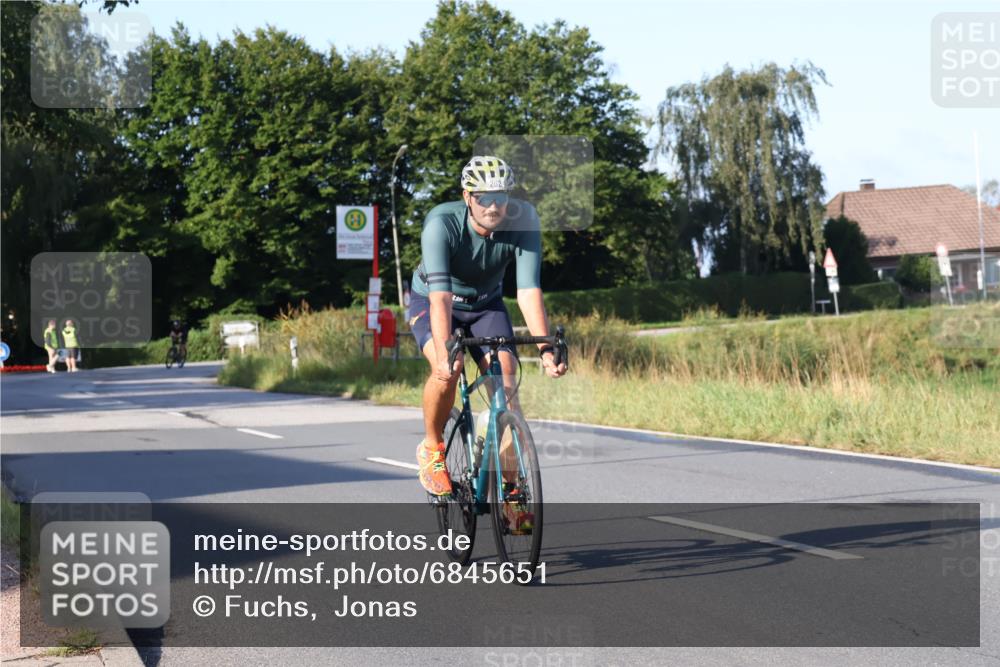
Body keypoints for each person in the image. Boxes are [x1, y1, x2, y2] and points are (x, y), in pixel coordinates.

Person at [410, 156, 567, 530]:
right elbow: (440, 299)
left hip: (486, 305)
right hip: (434, 301)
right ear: (468, 197)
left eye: (501, 197)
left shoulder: (524, 221)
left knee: (508, 389)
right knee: (448, 371)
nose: (494, 207)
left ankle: (512, 494)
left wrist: (545, 349)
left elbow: (528, 290)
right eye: (484, 198)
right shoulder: (441, 224)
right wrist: (445, 353)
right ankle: (432, 447)